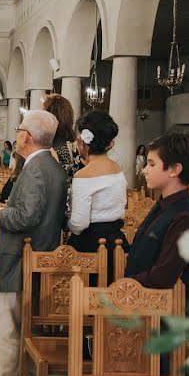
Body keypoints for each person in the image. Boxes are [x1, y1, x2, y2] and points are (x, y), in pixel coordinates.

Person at [0, 110, 67, 376]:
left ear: (25, 136)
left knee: (8, 326)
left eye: (18, 130)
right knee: (25, 325)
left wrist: (0, 212)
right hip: (40, 254)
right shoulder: (52, 166)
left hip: (19, 255)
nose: (16, 134)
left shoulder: (35, 168)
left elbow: (27, 216)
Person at [126, 132, 189, 304]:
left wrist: (124, 285)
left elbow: (163, 277)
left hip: (163, 314)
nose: (145, 170)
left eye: (152, 164)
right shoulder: (164, 205)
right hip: (144, 303)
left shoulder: (184, 218)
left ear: (175, 170)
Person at [67, 111, 127, 280]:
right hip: (117, 241)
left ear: (82, 142)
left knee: (84, 300)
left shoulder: (83, 175)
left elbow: (79, 224)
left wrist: (66, 222)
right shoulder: (117, 168)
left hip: (91, 245)